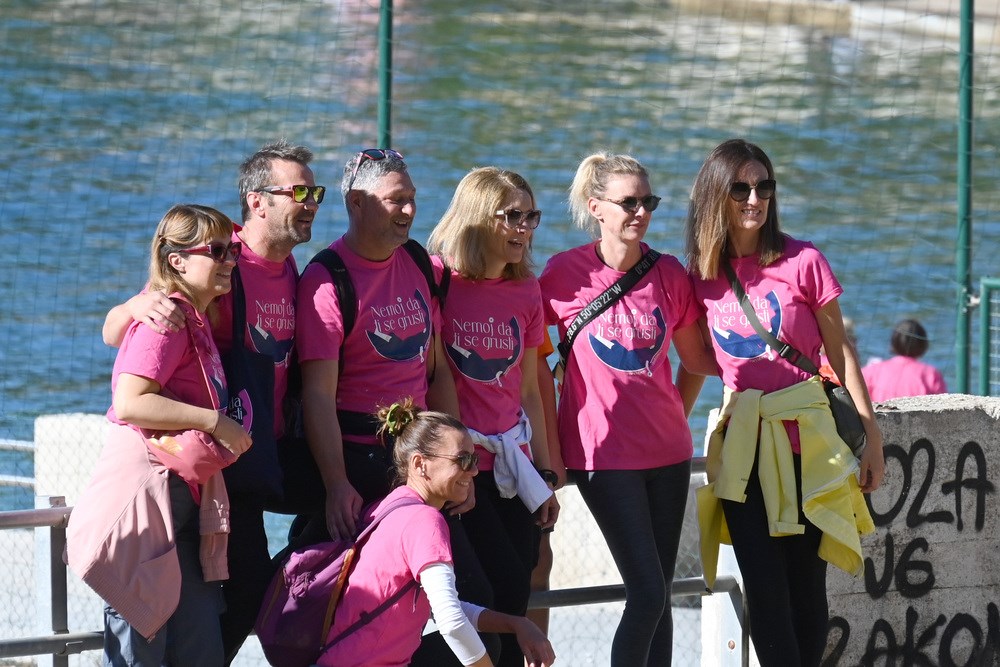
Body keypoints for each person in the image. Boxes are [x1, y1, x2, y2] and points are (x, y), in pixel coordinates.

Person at [101, 140, 322, 663]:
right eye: (299, 192)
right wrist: (135, 305)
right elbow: (121, 329)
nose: (311, 203)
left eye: (315, 193)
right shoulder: (220, 260)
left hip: (264, 447)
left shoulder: (292, 268)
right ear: (257, 200)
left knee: (347, 500)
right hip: (219, 459)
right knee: (242, 591)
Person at [685, 138, 883, 667]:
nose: (755, 199)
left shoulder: (804, 260)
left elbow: (840, 353)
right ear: (715, 194)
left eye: (764, 186)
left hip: (809, 447)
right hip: (743, 448)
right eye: (740, 189)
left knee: (805, 587)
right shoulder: (699, 276)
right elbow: (696, 358)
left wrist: (872, 437)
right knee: (764, 590)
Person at [538, 152, 718, 667]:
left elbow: (696, 360)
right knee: (647, 591)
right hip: (601, 457)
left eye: (648, 202)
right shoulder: (563, 274)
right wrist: (544, 447)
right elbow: (526, 360)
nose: (641, 212)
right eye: (629, 202)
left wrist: (676, 414)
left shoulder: (668, 273)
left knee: (660, 593)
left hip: (669, 455)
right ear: (596, 207)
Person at [68, 204, 253, 666]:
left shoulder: (192, 315)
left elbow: (112, 330)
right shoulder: (167, 319)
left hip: (180, 504)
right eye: (217, 251)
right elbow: (130, 402)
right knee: (140, 645)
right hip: (149, 500)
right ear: (178, 261)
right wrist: (214, 422)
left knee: (197, 643)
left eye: (232, 250)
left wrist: (128, 307)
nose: (230, 260)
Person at [425, 167, 560, 667]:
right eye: (512, 216)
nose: (524, 228)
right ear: (478, 217)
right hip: (462, 473)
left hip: (514, 471)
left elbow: (529, 391)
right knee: (480, 602)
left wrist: (544, 475)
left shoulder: (527, 291)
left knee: (516, 589)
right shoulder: (439, 282)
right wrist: (455, 470)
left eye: (531, 217)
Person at [293, 147, 460, 539]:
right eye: (396, 200)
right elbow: (318, 395)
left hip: (421, 453)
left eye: (412, 198)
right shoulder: (326, 280)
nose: (409, 211)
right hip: (360, 459)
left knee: (472, 572)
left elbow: (436, 372)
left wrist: (458, 457)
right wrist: (336, 483)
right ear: (356, 202)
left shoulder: (416, 260)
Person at [315, 398, 555, 667]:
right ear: (420, 464)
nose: (474, 471)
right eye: (463, 460)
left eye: (475, 458)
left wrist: (516, 623)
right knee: (484, 644)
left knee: (485, 640)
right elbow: (451, 622)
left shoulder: (390, 507)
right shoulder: (425, 520)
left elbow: (445, 606)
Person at [862, 318, 946, 401]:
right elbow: (941, 404)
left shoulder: (869, 372)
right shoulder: (931, 374)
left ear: (893, 341)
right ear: (923, 345)